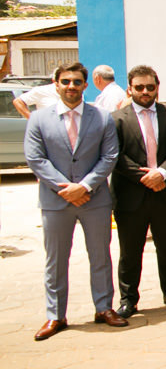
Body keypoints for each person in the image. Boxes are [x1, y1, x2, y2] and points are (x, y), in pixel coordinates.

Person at [24, 62, 126, 340]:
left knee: (100, 256)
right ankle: (55, 315)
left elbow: (109, 156)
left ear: (85, 85)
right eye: (66, 81)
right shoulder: (38, 119)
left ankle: (104, 308)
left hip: (94, 200)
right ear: (56, 84)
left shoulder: (102, 117)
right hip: (55, 201)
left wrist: (84, 186)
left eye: (77, 81)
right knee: (55, 260)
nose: (71, 86)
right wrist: (65, 188)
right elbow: (35, 158)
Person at [111, 65, 166, 319]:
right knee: (130, 250)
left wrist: (163, 172)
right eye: (139, 87)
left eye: (150, 87)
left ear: (157, 87)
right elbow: (115, 155)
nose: (145, 92)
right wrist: (144, 176)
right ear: (129, 89)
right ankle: (128, 299)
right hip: (131, 195)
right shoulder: (116, 119)